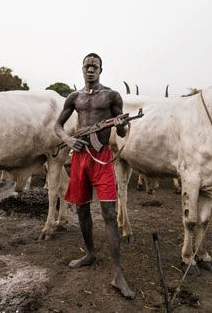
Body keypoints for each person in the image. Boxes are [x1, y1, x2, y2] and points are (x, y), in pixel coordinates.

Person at [54, 53, 135, 299]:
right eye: (87, 66)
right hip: (80, 158)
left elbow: (121, 130)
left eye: (95, 66)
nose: (90, 70)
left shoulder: (111, 96)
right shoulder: (74, 97)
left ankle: (118, 274)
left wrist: (120, 124)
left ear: (101, 69)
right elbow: (58, 126)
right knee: (81, 210)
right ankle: (89, 254)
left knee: (110, 213)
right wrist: (68, 139)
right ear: (82, 69)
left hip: (102, 159)